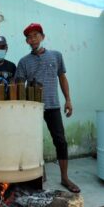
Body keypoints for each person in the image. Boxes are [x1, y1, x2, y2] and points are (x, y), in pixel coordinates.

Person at [16, 23, 80, 193]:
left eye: (35, 35)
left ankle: (65, 178)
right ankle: (38, 174)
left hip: (53, 105)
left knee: (60, 141)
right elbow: (20, 86)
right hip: (33, 107)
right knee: (32, 142)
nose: (32, 39)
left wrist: (68, 100)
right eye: (29, 37)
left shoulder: (56, 56)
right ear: (27, 42)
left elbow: (62, 78)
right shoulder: (23, 62)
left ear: (43, 37)